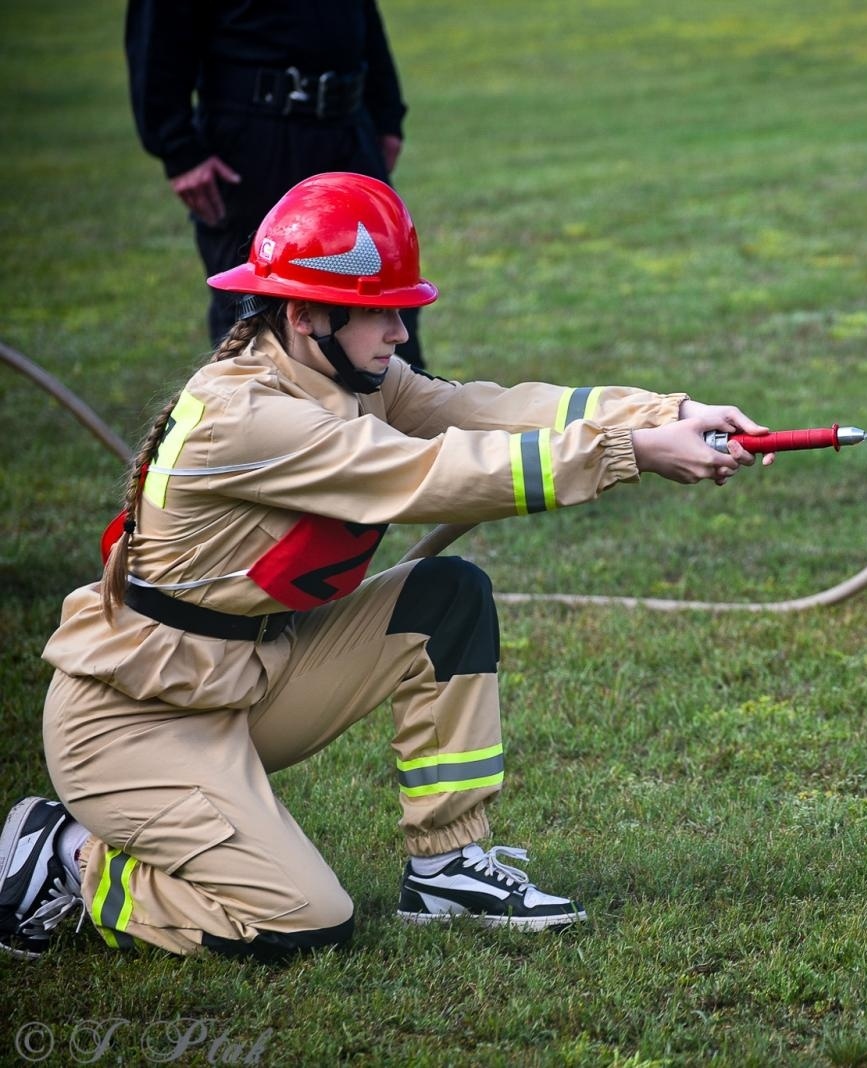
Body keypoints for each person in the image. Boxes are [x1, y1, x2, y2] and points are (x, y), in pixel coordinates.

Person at [0, 172, 769, 961]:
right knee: (300, 924)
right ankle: (66, 852)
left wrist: (663, 414)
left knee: (445, 598)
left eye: (401, 309)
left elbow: (481, 410)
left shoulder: (343, 372)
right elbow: (433, 473)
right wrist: (629, 452)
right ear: (303, 314)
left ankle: (446, 867)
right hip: (133, 725)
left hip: (247, 682)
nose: (400, 331)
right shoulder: (250, 417)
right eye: (378, 313)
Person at [126, 0, 426, 366]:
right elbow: (160, 24)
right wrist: (178, 148)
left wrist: (387, 114)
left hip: (348, 127)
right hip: (256, 143)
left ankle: (391, 419)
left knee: (383, 297)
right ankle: (269, 421)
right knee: (260, 319)